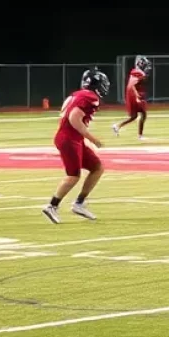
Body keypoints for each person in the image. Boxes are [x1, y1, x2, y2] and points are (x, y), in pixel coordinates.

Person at [42, 68, 110, 223]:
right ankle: (52, 206)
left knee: (97, 167)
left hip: (72, 138)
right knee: (73, 175)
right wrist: (92, 139)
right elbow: (74, 118)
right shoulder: (90, 96)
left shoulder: (78, 94)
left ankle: (79, 203)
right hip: (69, 138)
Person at [113, 55, 150, 139]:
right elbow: (132, 85)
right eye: (144, 64)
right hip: (134, 95)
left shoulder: (137, 72)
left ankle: (117, 126)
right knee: (143, 114)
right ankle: (140, 136)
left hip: (132, 95)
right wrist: (137, 97)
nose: (146, 67)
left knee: (134, 116)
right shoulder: (139, 72)